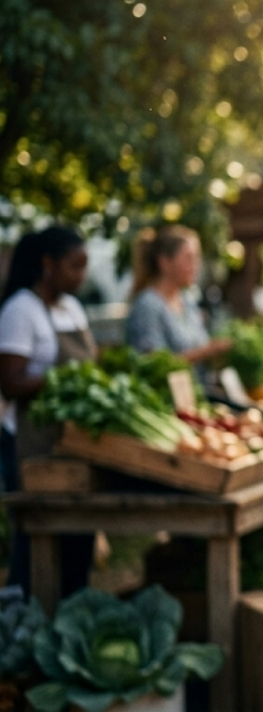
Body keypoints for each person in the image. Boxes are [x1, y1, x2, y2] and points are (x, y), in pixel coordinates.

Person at [0, 226, 97, 596]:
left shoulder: (72, 308)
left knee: (76, 539)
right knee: (35, 541)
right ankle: (21, 627)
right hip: (30, 444)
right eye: (74, 266)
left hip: (73, 442)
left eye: (85, 266)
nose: (81, 275)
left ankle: (70, 610)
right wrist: (62, 379)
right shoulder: (21, 310)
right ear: (47, 264)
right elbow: (10, 381)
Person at [125, 226, 231, 364]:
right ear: (165, 262)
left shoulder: (187, 300)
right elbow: (153, 363)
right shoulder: (147, 306)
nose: (195, 265)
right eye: (188, 258)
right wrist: (207, 351)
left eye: (197, 258)